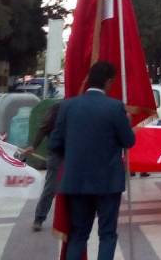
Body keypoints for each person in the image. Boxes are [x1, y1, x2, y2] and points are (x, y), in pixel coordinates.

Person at [49, 62, 136, 260]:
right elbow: (128, 141)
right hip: (108, 182)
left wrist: (74, 155)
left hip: (76, 181)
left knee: (78, 235)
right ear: (109, 81)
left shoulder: (68, 106)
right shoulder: (115, 107)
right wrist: (127, 124)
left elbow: (54, 143)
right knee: (107, 234)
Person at [24, 101, 61, 231]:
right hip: (57, 154)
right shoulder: (58, 107)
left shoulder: (78, 106)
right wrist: (33, 146)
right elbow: (44, 128)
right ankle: (39, 218)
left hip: (72, 155)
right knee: (51, 187)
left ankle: (74, 219)